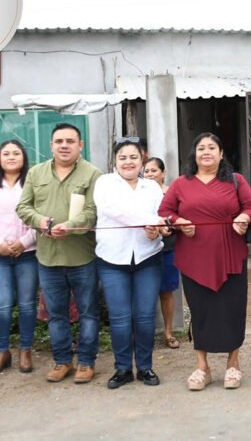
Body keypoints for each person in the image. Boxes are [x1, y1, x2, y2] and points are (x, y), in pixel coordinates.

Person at [158, 132, 251, 391]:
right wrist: (179, 222)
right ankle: (202, 366)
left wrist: (244, 217)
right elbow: (165, 211)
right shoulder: (180, 183)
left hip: (230, 254)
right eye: (201, 148)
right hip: (193, 257)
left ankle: (233, 364)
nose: (206, 152)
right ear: (195, 154)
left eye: (212, 147)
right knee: (200, 311)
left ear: (221, 154)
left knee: (232, 310)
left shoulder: (236, 180)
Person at [16, 123, 102, 384]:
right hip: (48, 257)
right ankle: (62, 360)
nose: (64, 145)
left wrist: (71, 226)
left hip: (82, 256)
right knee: (56, 315)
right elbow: (23, 207)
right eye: (59, 141)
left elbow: (93, 211)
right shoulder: (35, 173)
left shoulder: (93, 174)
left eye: (70, 141)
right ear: (51, 145)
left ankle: (86, 362)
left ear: (80, 145)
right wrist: (40, 221)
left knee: (88, 313)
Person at [95, 140, 166, 389]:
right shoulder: (105, 183)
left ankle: (145, 367)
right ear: (115, 160)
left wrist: (156, 231)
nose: (128, 161)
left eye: (133, 157)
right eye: (122, 157)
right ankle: (123, 368)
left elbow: (162, 217)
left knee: (146, 317)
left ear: (142, 159)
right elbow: (117, 212)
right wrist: (152, 221)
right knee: (121, 318)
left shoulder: (152, 187)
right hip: (112, 259)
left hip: (148, 258)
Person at [0, 140, 38, 373]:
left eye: (16, 153)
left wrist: (23, 243)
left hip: (28, 253)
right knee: (2, 305)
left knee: (27, 305)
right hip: (0, 255)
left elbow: (40, 217)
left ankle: (25, 349)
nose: (11, 156)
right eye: (6, 153)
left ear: (24, 158)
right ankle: (3, 350)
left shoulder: (31, 184)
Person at [144, 157, 181, 349]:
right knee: (145, 293)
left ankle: (168, 332)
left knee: (166, 292)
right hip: (146, 250)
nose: (150, 175)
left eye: (154, 171)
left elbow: (177, 219)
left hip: (168, 249)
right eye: (147, 171)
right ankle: (144, 334)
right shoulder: (139, 194)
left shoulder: (171, 194)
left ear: (163, 173)